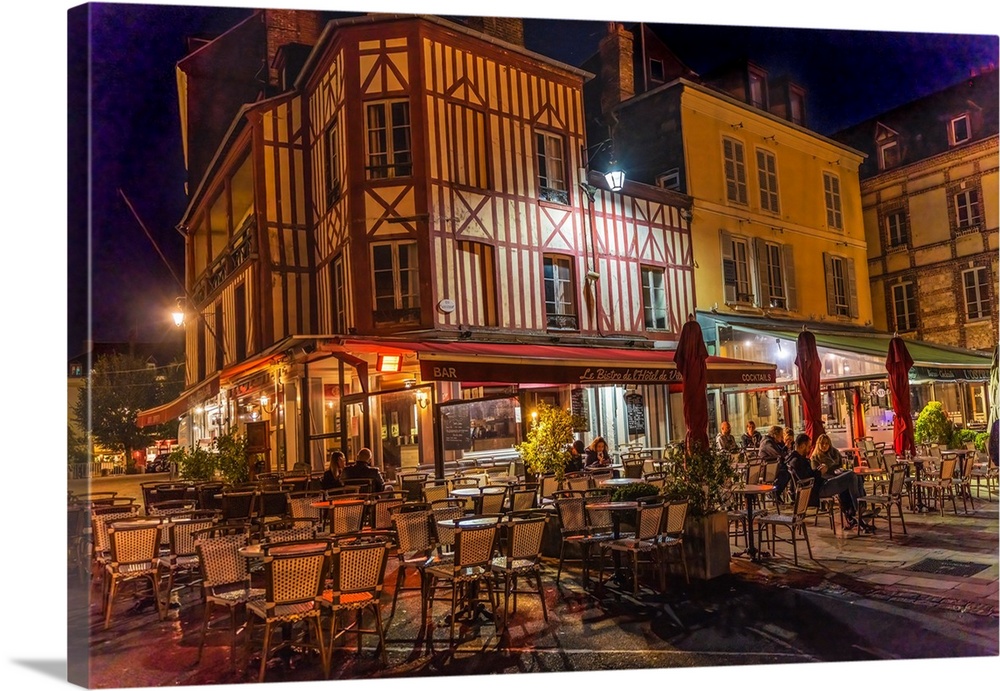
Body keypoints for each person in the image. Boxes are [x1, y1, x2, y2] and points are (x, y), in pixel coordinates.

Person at [785, 433, 870, 531]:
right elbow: (806, 480)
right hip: (818, 490)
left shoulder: (798, 459)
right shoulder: (796, 461)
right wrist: (820, 472)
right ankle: (859, 510)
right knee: (851, 476)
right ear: (802, 446)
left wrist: (817, 471)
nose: (809, 449)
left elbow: (808, 475)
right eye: (808, 446)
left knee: (855, 476)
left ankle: (858, 512)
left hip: (820, 485)